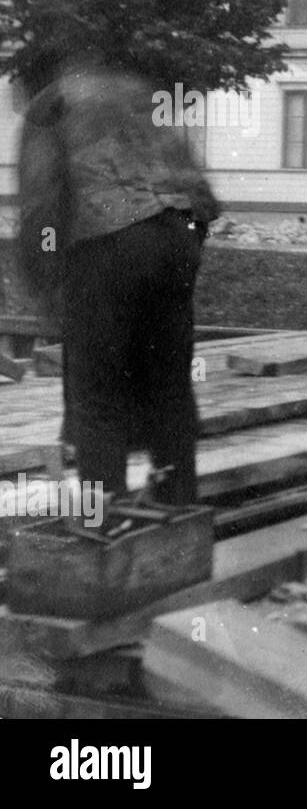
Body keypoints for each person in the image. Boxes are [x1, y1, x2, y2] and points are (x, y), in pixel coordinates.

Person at [17, 57, 221, 506]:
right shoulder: (138, 88)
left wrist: (48, 290)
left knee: (94, 392)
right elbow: (202, 192)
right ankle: (177, 500)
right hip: (176, 234)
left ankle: (102, 516)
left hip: (107, 240)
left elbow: (40, 206)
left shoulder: (50, 105)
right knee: (169, 380)